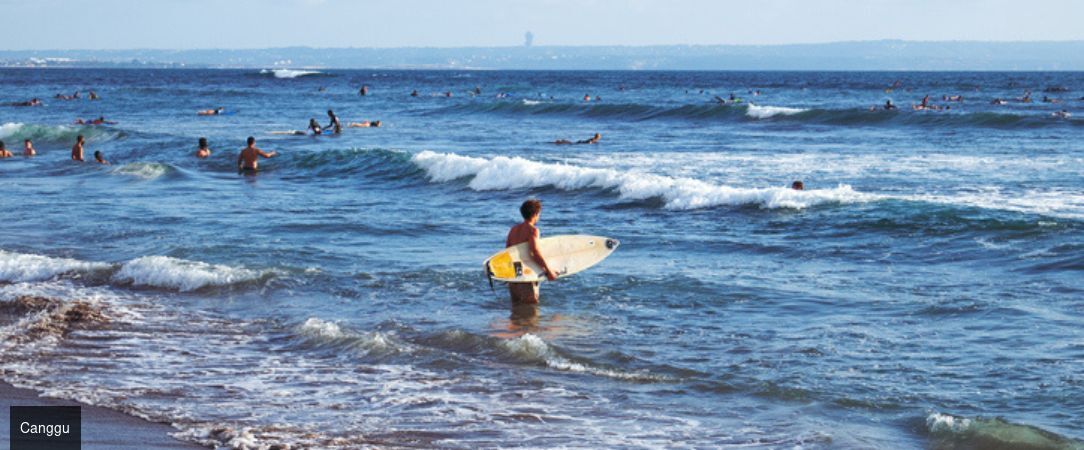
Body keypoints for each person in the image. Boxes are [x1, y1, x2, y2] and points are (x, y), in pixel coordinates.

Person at [505, 199, 558, 304]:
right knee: (530, 310)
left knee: (516, 309)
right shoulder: (533, 230)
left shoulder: (513, 230)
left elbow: (508, 251)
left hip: (514, 274)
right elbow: (535, 252)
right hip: (527, 274)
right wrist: (548, 270)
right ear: (535, 214)